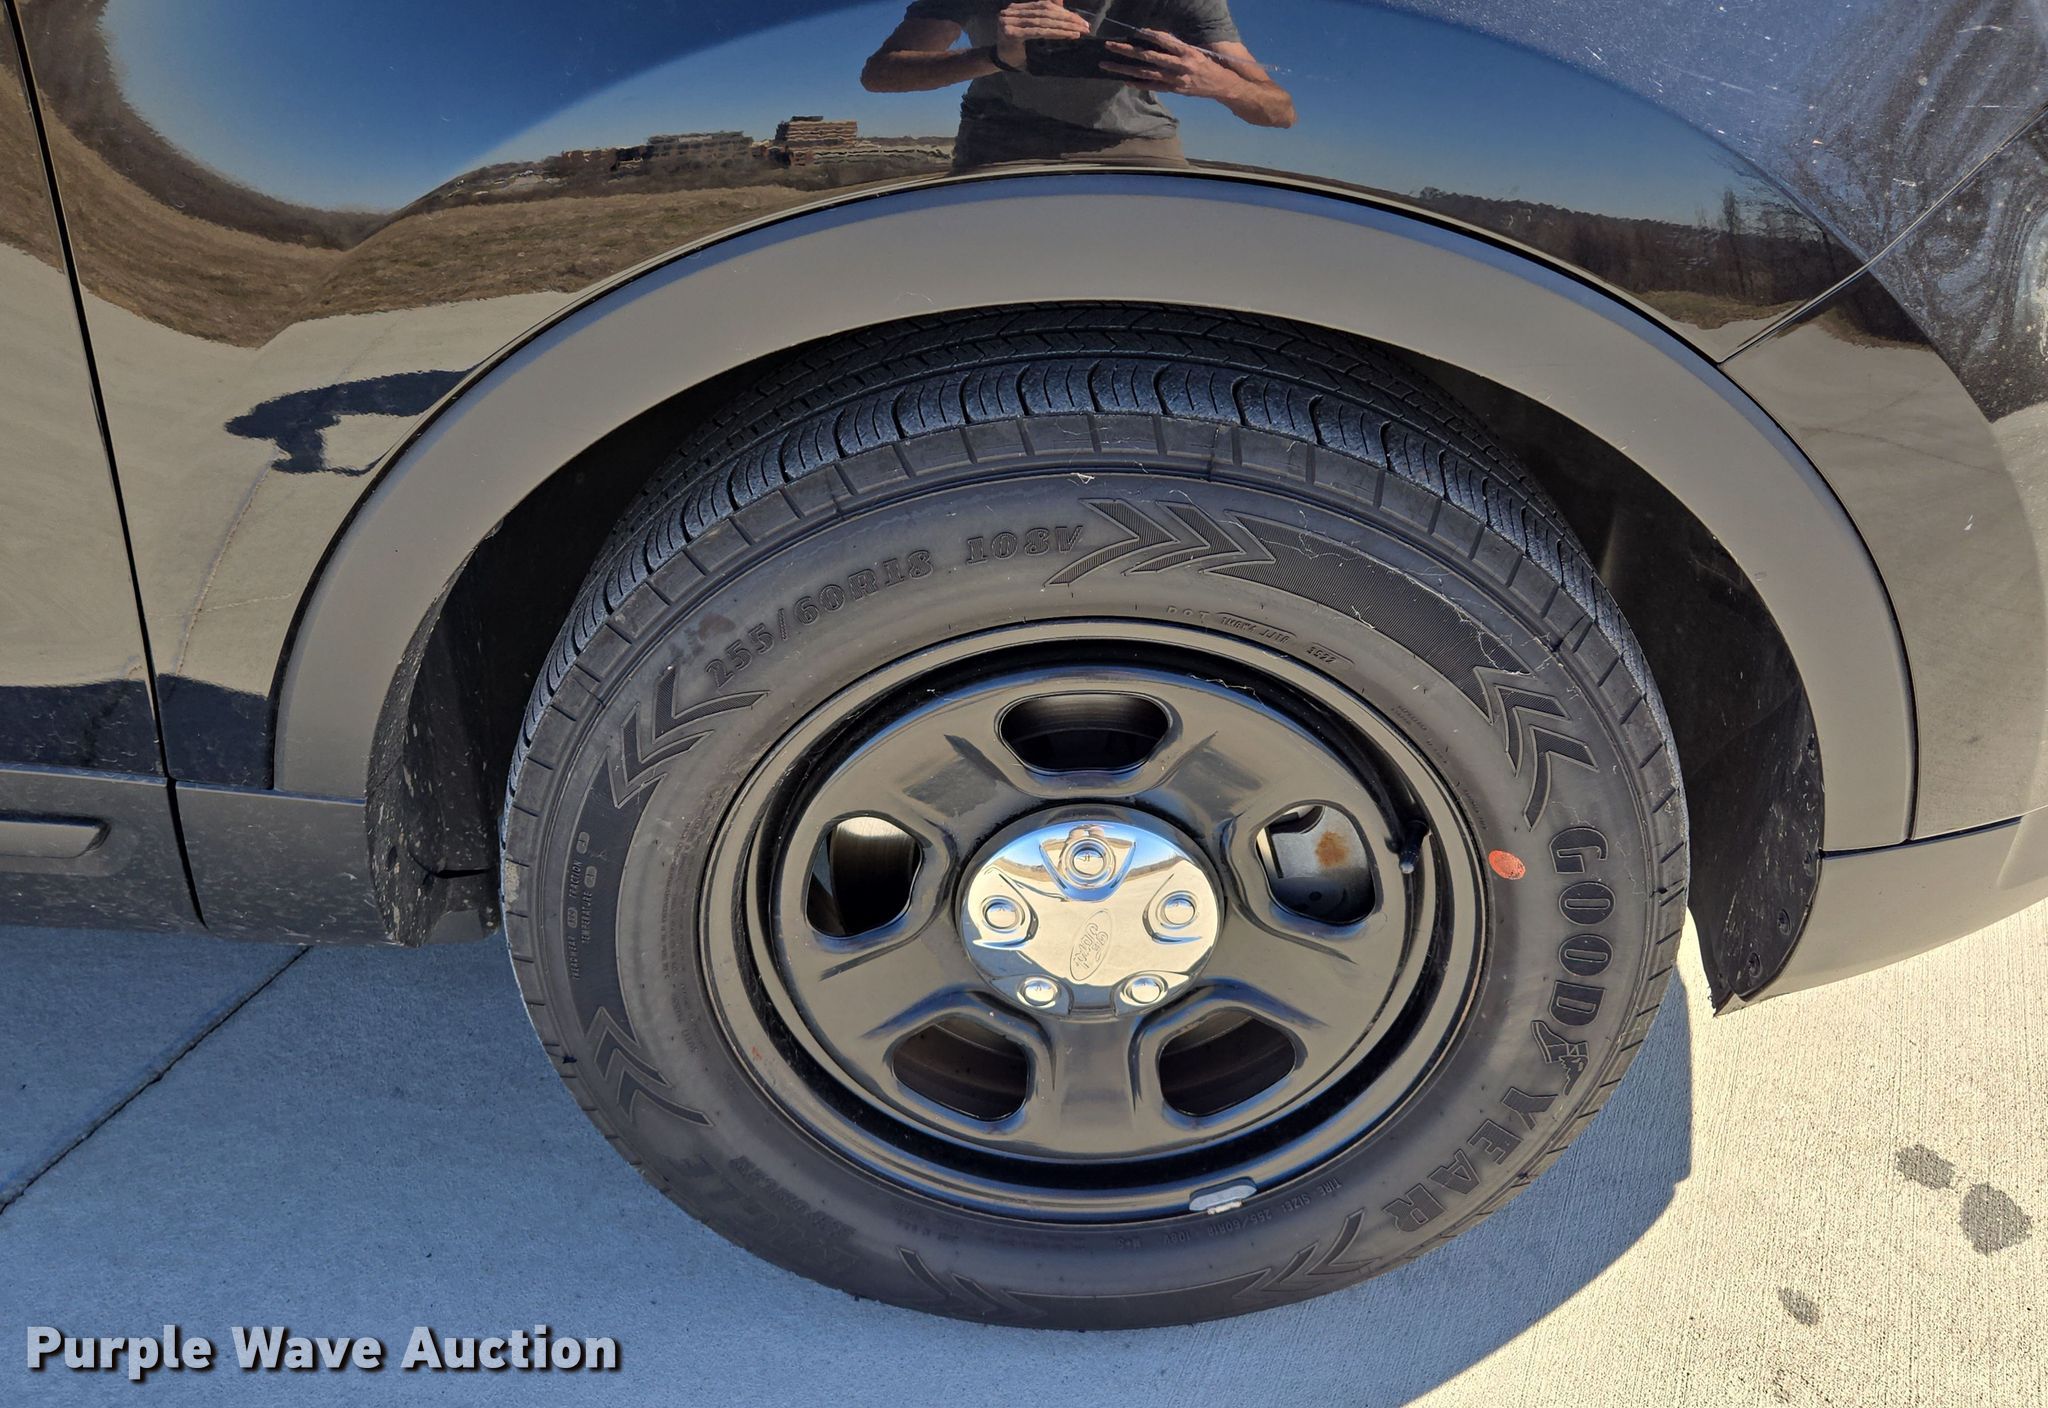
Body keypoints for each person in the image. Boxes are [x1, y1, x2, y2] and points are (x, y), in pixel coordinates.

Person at [861, 1, 1294, 172]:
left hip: (1136, 143)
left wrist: (1218, 82)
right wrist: (998, 56)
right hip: (1002, 138)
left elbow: (1280, 111)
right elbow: (880, 73)